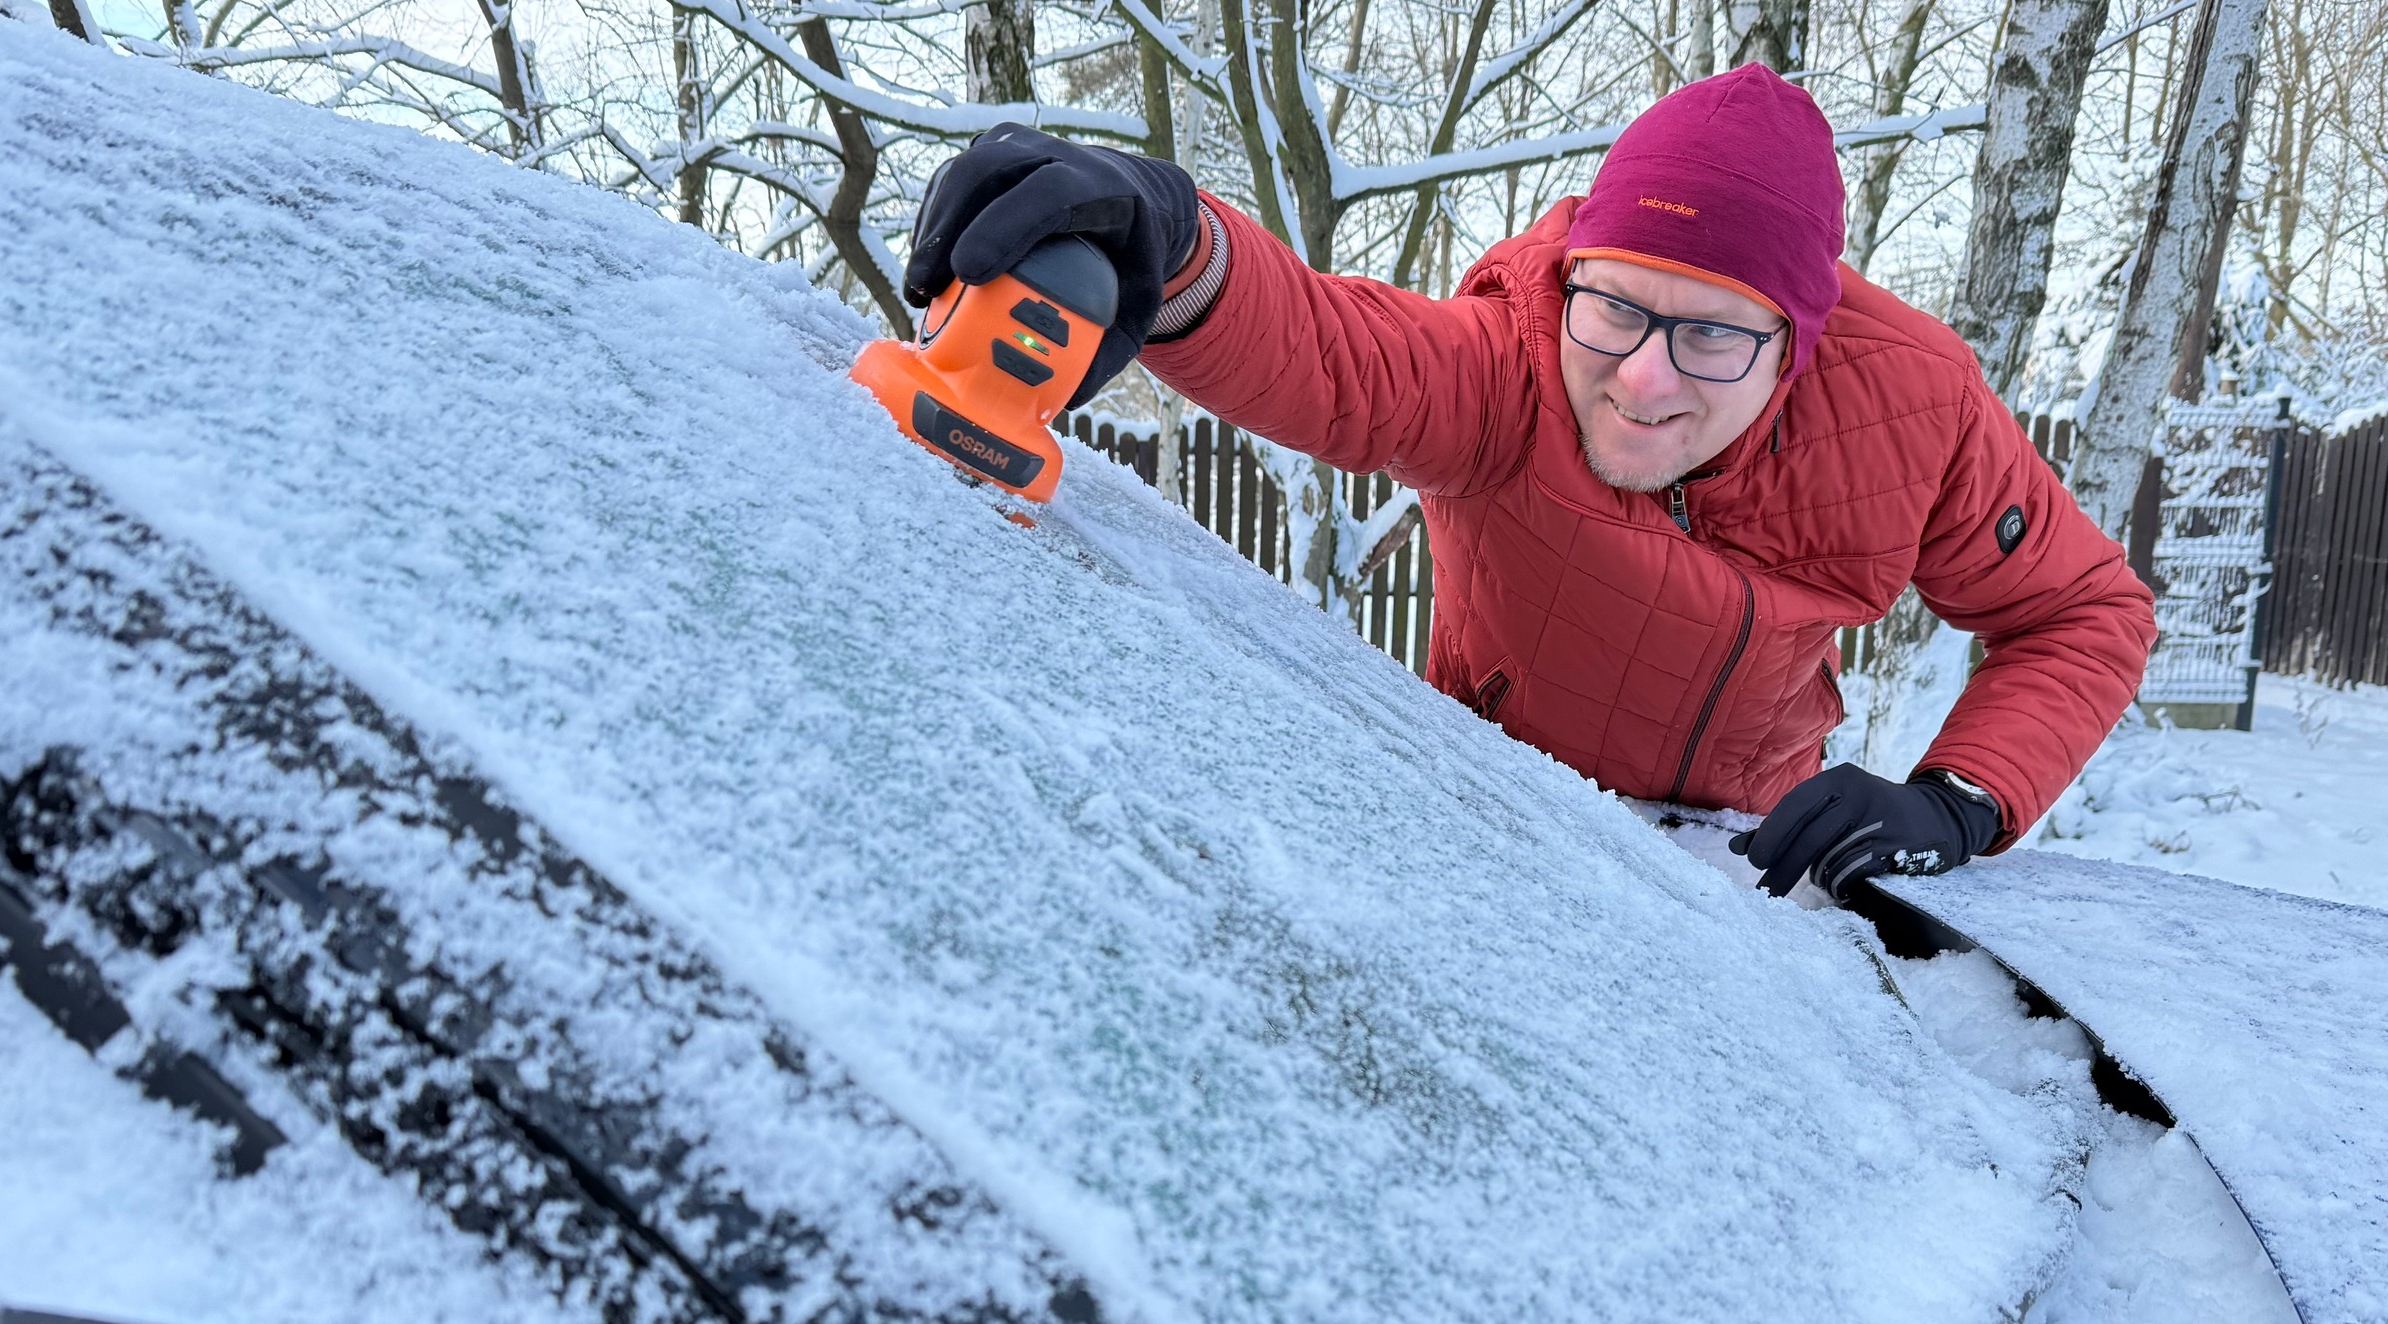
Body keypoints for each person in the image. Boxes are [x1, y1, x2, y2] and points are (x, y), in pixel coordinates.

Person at [900, 66, 2156, 899]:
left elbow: (2085, 613)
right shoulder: (1513, 364)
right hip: (1480, 839)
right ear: (1574, 279)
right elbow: (1337, 352)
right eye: (1614, 306)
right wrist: (1176, 242)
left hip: (1738, 880)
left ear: (1801, 342)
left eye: (1715, 336)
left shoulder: (1913, 412)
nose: (1646, 381)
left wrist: (1959, 800)